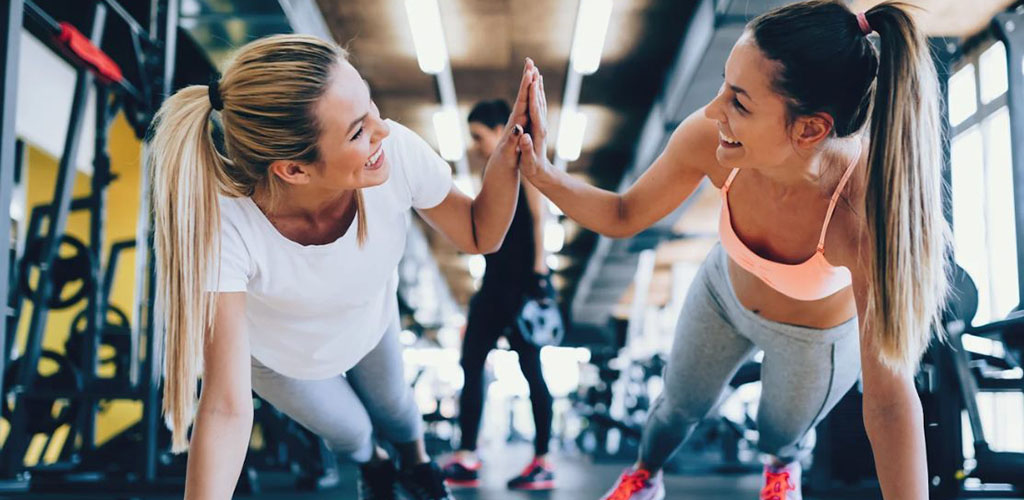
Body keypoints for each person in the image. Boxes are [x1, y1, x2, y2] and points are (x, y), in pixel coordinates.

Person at [516, 1, 948, 499]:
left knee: (779, 432)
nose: (712, 110)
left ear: (809, 129)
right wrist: (541, 173)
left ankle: (784, 466)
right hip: (724, 295)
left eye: (739, 102)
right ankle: (645, 476)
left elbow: (890, 403)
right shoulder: (710, 140)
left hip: (815, 337)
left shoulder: (864, 216)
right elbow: (622, 215)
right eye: (724, 84)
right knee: (675, 408)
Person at [148, 34, 542, 500]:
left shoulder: (394, 154)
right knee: (351, 433)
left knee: (396, 409)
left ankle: (416, 463)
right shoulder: (224, 226)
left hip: (368, 320)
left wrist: (509, 158)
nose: (382, 130)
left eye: (370, 105)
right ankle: (376, 468)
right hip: (281, 360)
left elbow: (480, 234)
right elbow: (226, 407)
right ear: (294, 169)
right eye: (358, 131)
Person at [441, 100, 556, 491]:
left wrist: (539, 273)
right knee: (471, 363)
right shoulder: (492, 175)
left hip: (523, 285)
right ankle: (467, 456)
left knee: (531, 370)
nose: (474, 145)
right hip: (492, 287)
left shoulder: (526, 168)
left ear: (498, 132)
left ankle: (543, 461)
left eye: (478, 136)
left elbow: (540, 219)